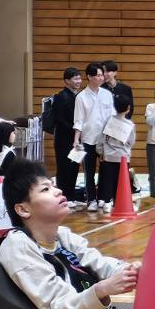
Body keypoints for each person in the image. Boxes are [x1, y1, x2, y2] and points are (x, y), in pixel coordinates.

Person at [0, 160, 140, 309]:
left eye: (53, 186)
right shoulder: (18, 246)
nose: (58, 191)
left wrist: (135, 271)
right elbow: (60, 306)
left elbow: (102, 264)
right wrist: (103, 289)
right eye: (45, 189)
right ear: (23, 209)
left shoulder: (62, 237)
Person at [72, 61, 115, 211]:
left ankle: (104, 198)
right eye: (98, 75)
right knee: (89, 171)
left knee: (106, 170)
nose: (101, 78)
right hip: (88, 139)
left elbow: (112, 117)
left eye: (102, 75)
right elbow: (78, 120)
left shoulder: (107, 95)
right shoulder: (81, 97)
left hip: (105, 139)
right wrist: (76, 139)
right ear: (89, 77)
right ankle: (91, 200)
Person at [98, 94, 135, 210]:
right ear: (128, 108)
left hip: (108, 156)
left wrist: (100, 151)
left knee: (108, 179)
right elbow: (131, 142)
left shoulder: (109, 120)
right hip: (123, 158)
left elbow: (102, 138)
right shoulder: (130, 125)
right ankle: (117, 201)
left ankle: (107, 203)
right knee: (121, 181)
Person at [53, 67, 84, 206]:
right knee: (64, 168)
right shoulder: (61, 96)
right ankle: (63, 196)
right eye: (75, 78)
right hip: (64, 139)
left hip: (75, 138)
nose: (79, 81)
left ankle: (71, 195)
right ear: (67, 81)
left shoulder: (78, 96)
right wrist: (75, 130)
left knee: (74, 167)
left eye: (79, 78)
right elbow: (58, 119)